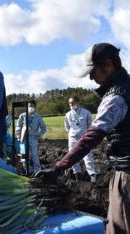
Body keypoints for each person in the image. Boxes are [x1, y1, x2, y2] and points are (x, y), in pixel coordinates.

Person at [35, 43, 130, 234]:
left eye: (93, 71)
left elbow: (92, 137)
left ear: (108, 64)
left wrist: (59, 167)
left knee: (119, 228)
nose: (91, 77)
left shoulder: (116, 96)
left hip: (127, 173)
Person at [65, 96, 97, 182]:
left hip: (84, 138)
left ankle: (92, 175)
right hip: (72, 138)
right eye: (69, 103)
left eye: (73, 102)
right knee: (72, 156)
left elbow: (90, 126)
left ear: (78, 102)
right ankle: (77, 175)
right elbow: (67, 128)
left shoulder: (86, 113)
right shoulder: (68, 115)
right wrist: (72, 134)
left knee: (87, 155)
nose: (71, 104)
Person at [16, 101, 46, 174]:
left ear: (35, 107)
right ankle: (27, 170)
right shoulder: (22, 116)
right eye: (29, 106)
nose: (30, 108)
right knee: (23, 155)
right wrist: (18, 136)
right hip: (23, 138)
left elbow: (43, 128)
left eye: (32, 106)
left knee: (34, 155)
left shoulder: (38, 117)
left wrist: (39, 135)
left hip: (33, 138)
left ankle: (37, 171)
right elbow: (18, 126)